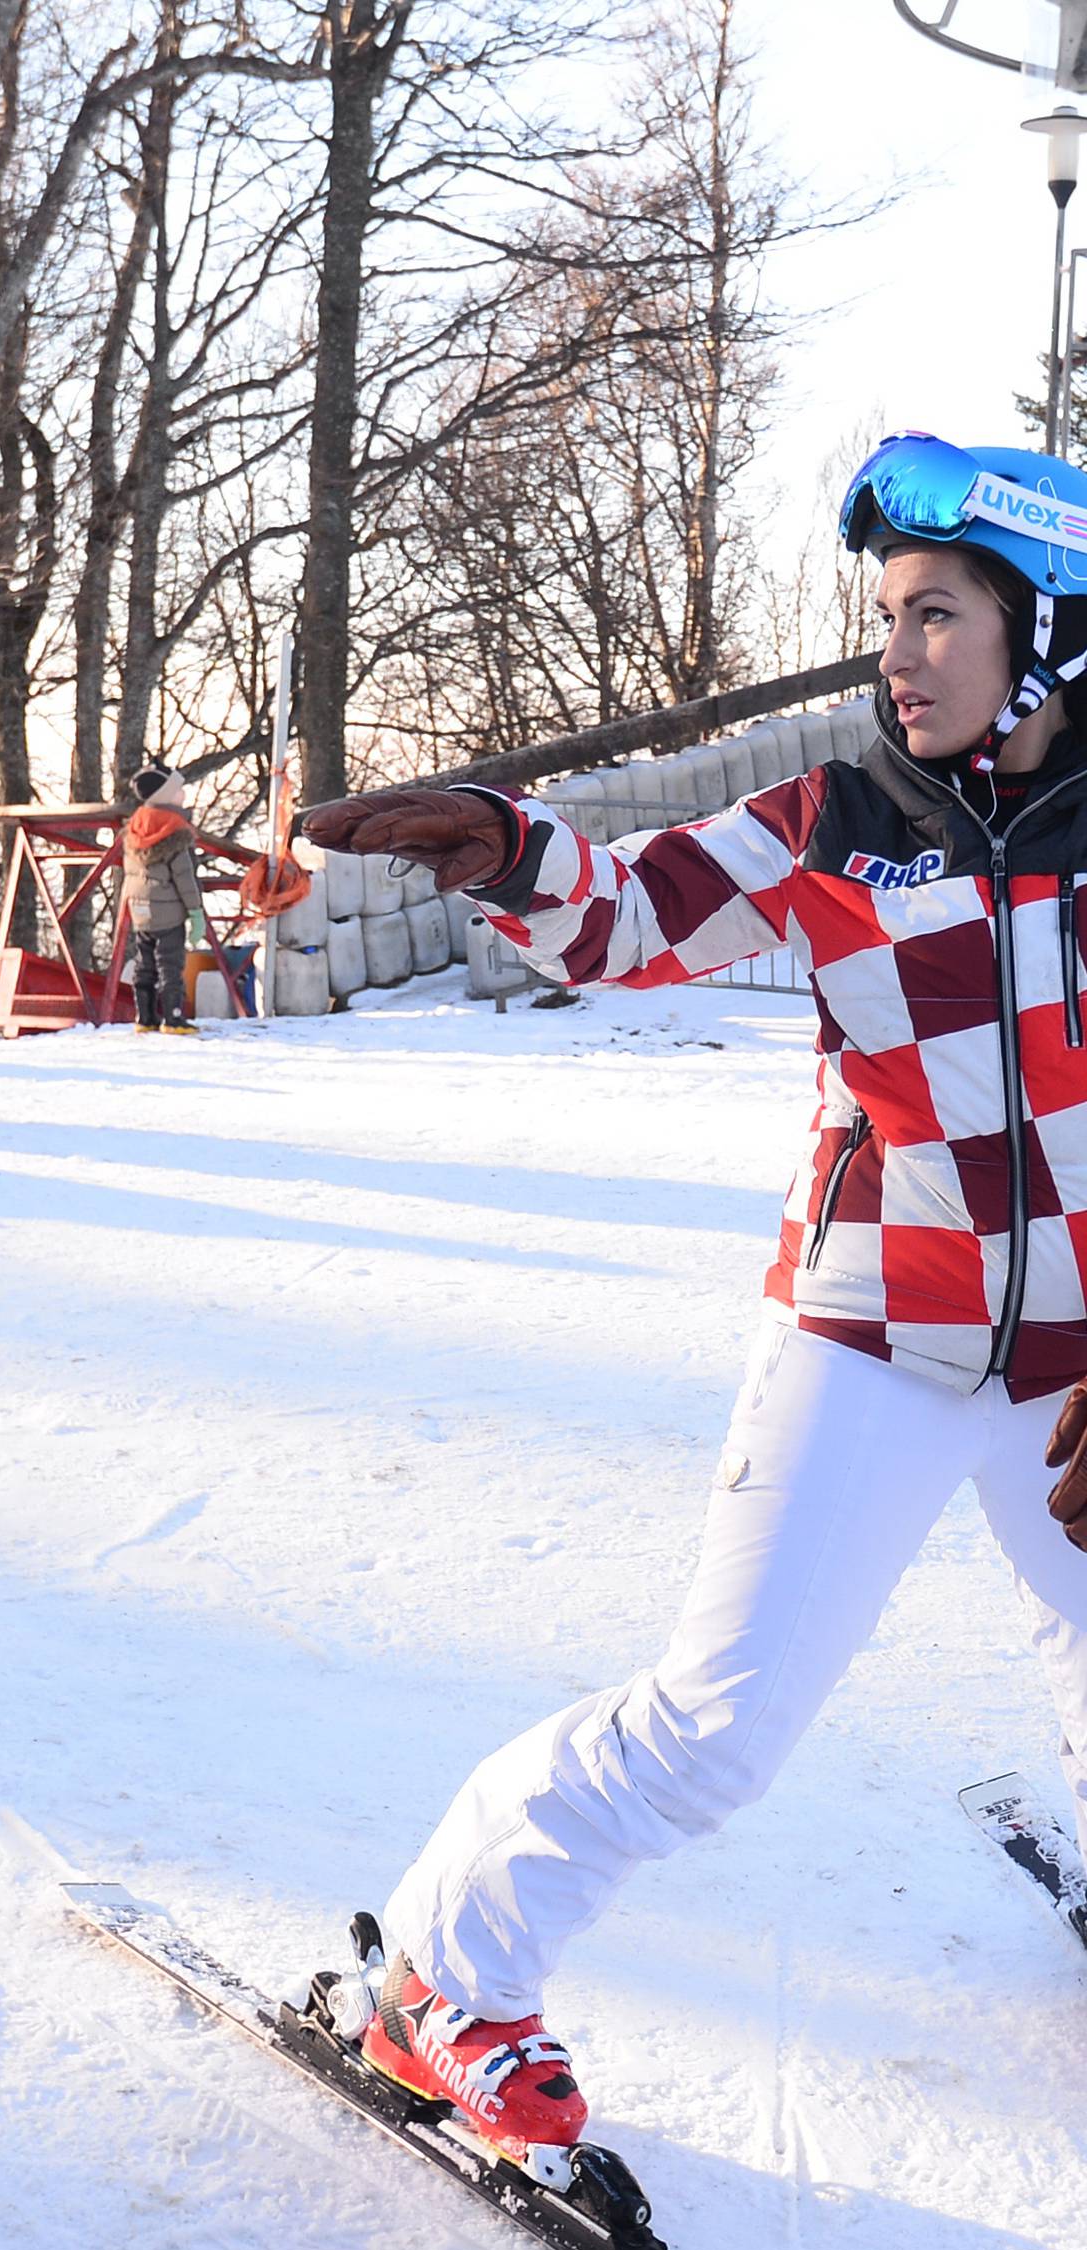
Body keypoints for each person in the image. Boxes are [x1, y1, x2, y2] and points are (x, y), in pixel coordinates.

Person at [298, 434, 1087, 2160]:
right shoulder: (843, 823)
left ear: (1057, 632)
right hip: (874, 1337)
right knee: (714, 1731)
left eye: (940, 614)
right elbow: (630, 912)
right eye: (891, 613)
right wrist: (503, 850)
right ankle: (445, 1970)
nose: (899, 651)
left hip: (1073, 1365)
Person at [121, 763, 203, 1033]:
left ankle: (144, 1018)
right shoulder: (174, 830)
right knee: (170, 965)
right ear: (165, 796)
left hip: (140, 909)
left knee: (144, 963)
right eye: (178, 790)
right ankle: (173, 1017)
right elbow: (184, 878)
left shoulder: (135, 826)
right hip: (168, 914)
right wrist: (195, 911)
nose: (183, 795)